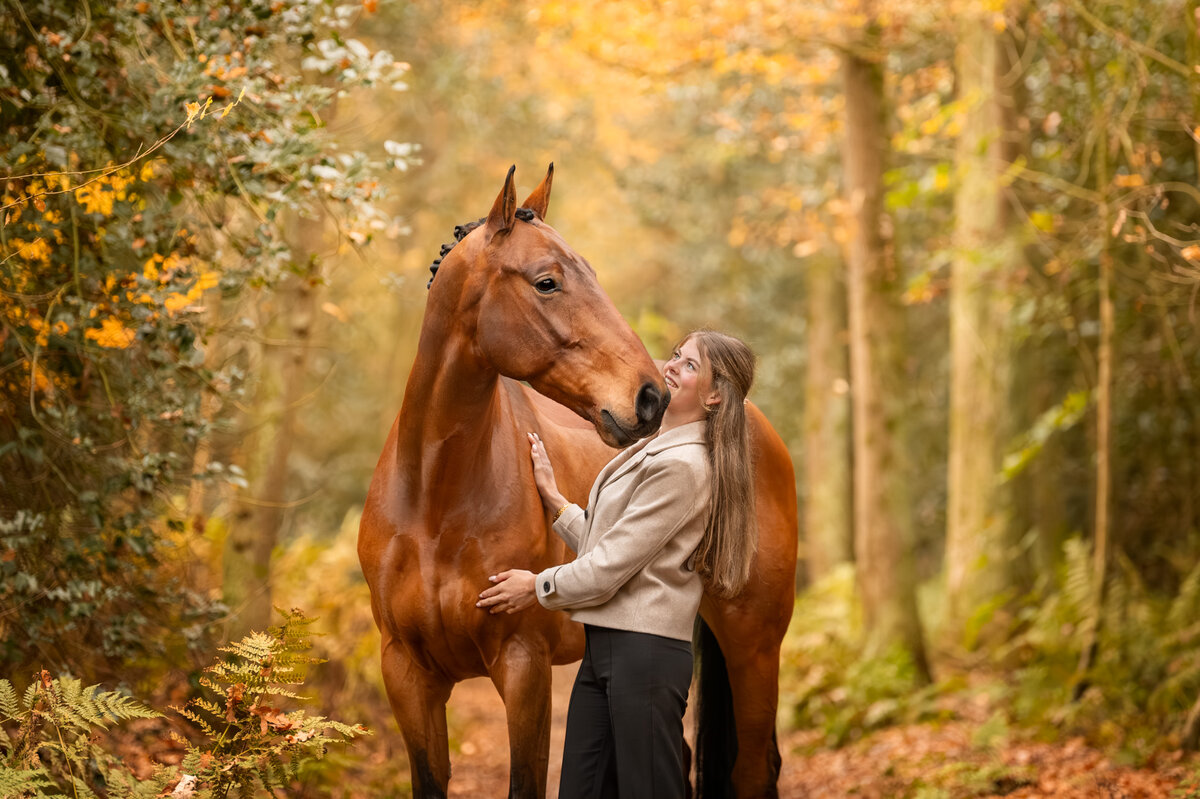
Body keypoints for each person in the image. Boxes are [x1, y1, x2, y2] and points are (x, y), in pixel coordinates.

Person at [475, 329, 758, 799]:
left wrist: (536, 586)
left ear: (713, 396)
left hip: (645, 657)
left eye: (689, 366)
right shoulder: (654, 449)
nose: (670, 366)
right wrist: (555, 499)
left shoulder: (683, 467)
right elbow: (610, 546)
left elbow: (607, 568)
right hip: (606, 649)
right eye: (675, 356)